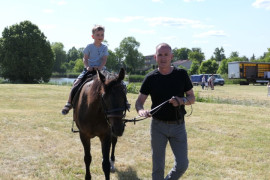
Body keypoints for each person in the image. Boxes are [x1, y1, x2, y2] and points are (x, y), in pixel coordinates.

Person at [135, 43, 195, 180]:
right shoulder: (151, 77)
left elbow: (192, 98)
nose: (163, 58)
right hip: (158, 126)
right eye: (160, 55)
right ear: (155, 57)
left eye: (166, 55)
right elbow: (139, 103)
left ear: (171, 56)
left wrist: (181, 101)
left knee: (182, 165)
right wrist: (141, 111)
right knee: (158, 167)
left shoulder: (181, 74)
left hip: (178, 126)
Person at [61, 25, 109, 115]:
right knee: (76, 83)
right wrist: (87, 66)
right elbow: (85, 58)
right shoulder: (89, 47)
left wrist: (100, 67)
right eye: (98, 35)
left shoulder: (104, 48)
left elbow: (104, 59)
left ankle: (123, 102)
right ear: (93, 36)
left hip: (101, 70)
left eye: (102, 35)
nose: (100, 37)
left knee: (114, 83)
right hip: (89, 69)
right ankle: (69, 103)